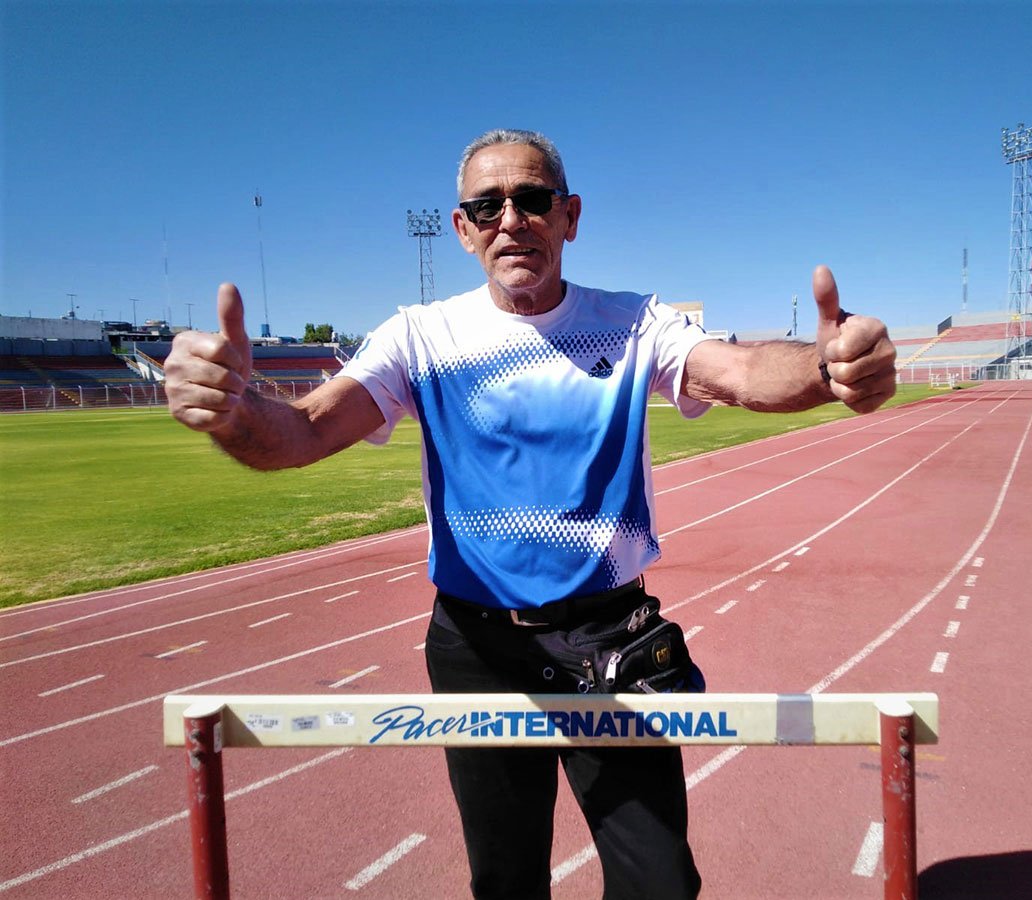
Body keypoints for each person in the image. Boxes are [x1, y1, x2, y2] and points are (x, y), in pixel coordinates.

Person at [164, 128, 897, 899]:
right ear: (462, 228)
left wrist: (826, 369)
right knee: (506, 882)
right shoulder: (420, 338)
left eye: (533, 199)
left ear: (569, 216)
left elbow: (743, 370)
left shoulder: (634, 322)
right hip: (475, 652)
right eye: (487, 205)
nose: (511, 218)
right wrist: (232, 414)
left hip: (612, 641)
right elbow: (306, 428)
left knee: (661, 884)